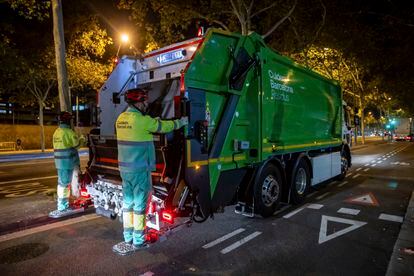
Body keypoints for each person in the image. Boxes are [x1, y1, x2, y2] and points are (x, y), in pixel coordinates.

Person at [112, 88, 188, 255]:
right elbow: (162, 126)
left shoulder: (121, 119)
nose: (146, 104)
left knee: (128, 203)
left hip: (125, 169)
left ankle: (128, 236)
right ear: (138, 102)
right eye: (145, 101)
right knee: (140, 205)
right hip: (139, 170)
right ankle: (139, 240)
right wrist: (181, 122)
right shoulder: (142, 120)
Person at [49, 112, 84, 218]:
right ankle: (63, 206)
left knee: (62, 183)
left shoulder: (57, 132)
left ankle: (63, 205)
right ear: (69, 121)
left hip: (59, 163)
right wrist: (82, 138)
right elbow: (77, 145)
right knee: (64, 184)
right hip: (69, 162)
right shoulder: (69, 132)